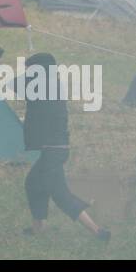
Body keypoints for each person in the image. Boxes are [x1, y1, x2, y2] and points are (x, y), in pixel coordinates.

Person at [20, 52, 111, 242]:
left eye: (30, 70)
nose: (26, 73)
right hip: (54, 149)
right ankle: (39, 228)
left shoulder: (46, 88)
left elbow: (14, 85)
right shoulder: (49, 87)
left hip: (53, 150)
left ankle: (98, 232)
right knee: (33, 184)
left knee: (60, 195)